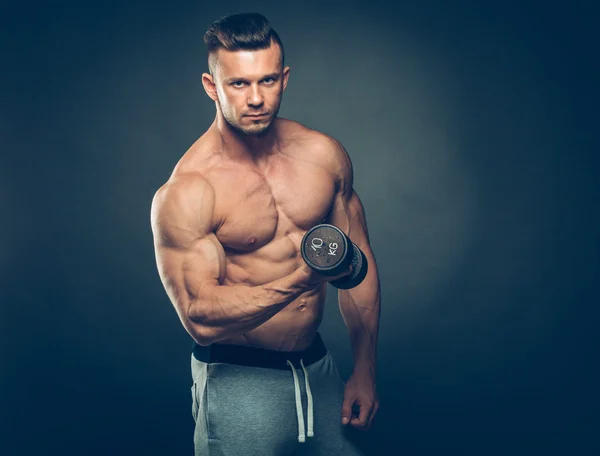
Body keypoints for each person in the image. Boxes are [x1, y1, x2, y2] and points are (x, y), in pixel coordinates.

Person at [150, 12, 381, 456]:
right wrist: (301, 279)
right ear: (211, 86)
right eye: (238, 84)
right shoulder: (189, 190)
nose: (256, 98)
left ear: (284, 78)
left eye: (268, 81)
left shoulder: (323, 156)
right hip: (238, 381)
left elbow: (356, 265)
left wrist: (366, 369)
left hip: (320, 370)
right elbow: (199, 317)